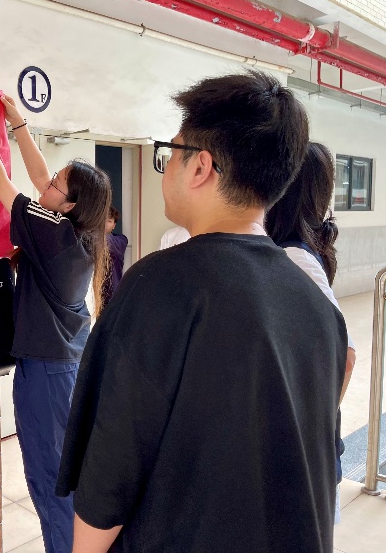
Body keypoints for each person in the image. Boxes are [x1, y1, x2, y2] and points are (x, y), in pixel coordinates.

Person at [56, 71, 347, 553]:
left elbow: (113, 463)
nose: (166, 166)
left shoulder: (158, 286)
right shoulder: (315, 303)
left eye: (171, 152)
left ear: (200, 167)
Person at [0, 88, 111, 553]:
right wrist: (19, 125)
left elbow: (3, 184)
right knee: (63, 476)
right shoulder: (81, 233)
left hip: (45, 375)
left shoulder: (54, 235)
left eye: (58, 185)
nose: (47, 183)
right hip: (63, 368)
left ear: (69, 205)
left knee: (49, 481)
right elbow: (42, 177)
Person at [265, 141, 357, 523]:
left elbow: (345, 355)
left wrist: (310, 423)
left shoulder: (294, 257)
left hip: (304, 458)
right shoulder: (289, 250)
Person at [101, 206, 128, 307]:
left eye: (109, 221)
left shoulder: (121, 240)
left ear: (114, 225)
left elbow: (106, 242)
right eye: (102, 219)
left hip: (112, 296)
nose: (104, 224)